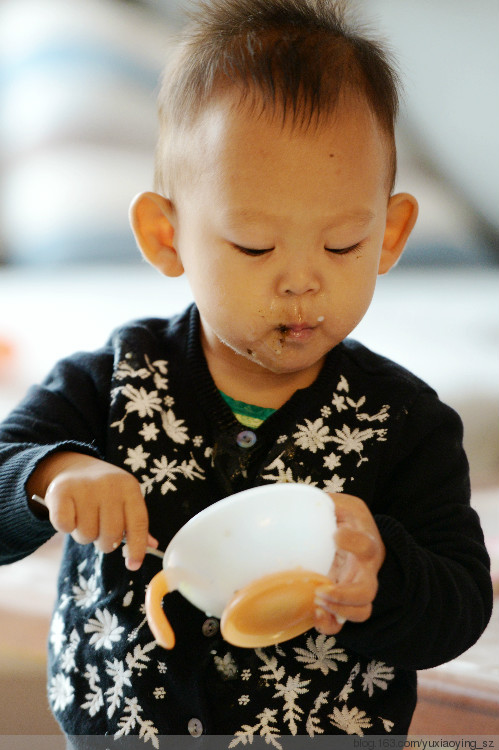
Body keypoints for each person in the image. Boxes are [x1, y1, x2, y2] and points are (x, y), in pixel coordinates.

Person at [0, 0, 492, 745]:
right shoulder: (114, 380)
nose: (301, 282)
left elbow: (457, 607)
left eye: (341, 246)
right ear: (167, 237)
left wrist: (384, 570)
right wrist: (53, 474)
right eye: (255, 247)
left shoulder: (405, 421)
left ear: (388, 235)